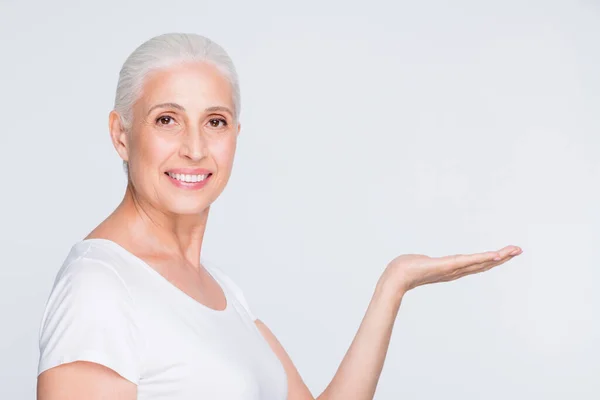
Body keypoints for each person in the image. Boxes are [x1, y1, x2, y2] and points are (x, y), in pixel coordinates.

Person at [36, 32, 522, 400]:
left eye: (215, 122)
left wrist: (393, 285)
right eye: (167, 119)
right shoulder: (101, 287)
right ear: (121, 135)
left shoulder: (224, 293)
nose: (195, 148)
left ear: (235, 136)